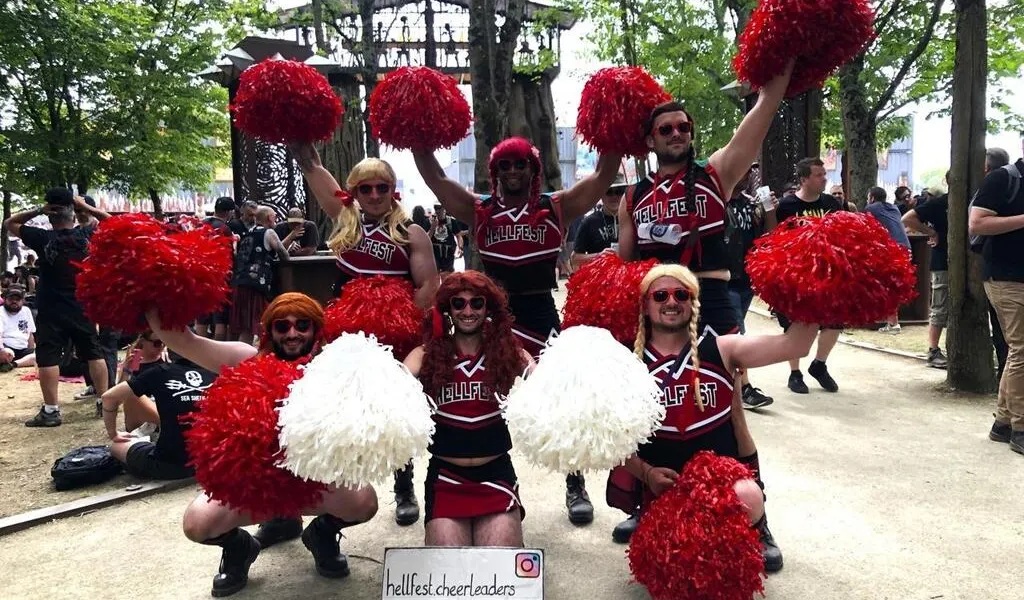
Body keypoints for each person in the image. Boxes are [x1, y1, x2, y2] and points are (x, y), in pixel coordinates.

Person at [615, 62, 795, 562]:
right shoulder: (632, 197)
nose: (677, 134)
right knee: (649, 407)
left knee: (727, 407)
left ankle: (758, 518)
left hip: (710, 301)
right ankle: (647, 498)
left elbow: (758, 120)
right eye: (666, 129)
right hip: (657, 306)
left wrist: (779, 75)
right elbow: (625, 266)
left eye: (683, 127)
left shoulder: (717, 174)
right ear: (650, 140)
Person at [412, 134, 625, 526]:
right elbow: (436, 179)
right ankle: (465, 476)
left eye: (520, 164)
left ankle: (574, 481)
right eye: (504, 165)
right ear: (495, 172)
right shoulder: (479, 209)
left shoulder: (556, 206)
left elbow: (601, 176)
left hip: (539, 311)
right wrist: (417, 137)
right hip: (489, 314)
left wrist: (615, 129)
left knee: (561, 401)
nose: (512, 171)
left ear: (533, 169)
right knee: (473, 391)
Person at [146, 293, 378, 596]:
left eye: (302, 325)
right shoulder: (245, 358)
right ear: (269, 330)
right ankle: (240, 549)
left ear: (315, 328)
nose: (292, 333)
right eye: (282, 326)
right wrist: (150, 293)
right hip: (252, 488)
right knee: (197, 524)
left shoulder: (331, 366)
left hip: (312, 484)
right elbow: (183, 341)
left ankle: (320, 535)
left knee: (364, 503)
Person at [619, 264, 817, 568]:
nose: (671, 302)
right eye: (660, 295)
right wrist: (646, 474)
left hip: (720, 486)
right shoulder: (625, 361)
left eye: (681, 294)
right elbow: (609, 442)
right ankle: (642, 512)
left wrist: (818, 287)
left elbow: (796, 345)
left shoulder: (722, 348)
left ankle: (758, 525)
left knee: (747, 495)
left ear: (693, 303)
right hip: (662, 485)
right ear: (645, 305)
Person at [294, 148, 438, 526]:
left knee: (396, 407)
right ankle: (340, 489)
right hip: (348, 334)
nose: (374, 195)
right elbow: (312, 166)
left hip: (396, 335)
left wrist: (397, 317)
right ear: (354, 192)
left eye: (382, 187)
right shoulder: (345, 219)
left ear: (393, 190)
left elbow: (428, 287)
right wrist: (297, 138)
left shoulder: (411, 232)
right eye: (366, 188)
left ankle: (403, 485)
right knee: (342, 407)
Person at [403, 272, 534, 546]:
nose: (467, 311)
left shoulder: (508, 353)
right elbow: (392, 386)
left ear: (488, 308)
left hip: (496, 474)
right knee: (447, 562)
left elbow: (546, 384)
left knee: (501, 558)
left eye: (476, 303)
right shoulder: (426, 355)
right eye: (458, 303)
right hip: (446, 476)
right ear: (447, 309)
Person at [4, 188, 111, 427]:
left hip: (51, 307)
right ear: (73, 212)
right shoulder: (87, 234)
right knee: (93, 352)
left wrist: (38, 210)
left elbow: (10, 223)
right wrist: (86, 206)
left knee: (48, 357)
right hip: (81, 304)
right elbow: (112, 222)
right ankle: (105, 402)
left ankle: (51, 411)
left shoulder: (41, 237)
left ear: (51, 214)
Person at [774, 157, 845, 395]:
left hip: (828, 272)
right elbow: (778, 239)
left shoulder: (832, 203)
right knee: (796, 323)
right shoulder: (787, 206)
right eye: (818, 175)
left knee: (834, 322)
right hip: (798, 273)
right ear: (804, 179)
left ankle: (819, 365)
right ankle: (795, 373)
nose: (824, 179)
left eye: (824, 174)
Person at [969, 153, 1024, 456]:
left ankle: (1003, 423)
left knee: (1018, 351)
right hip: (1005, 277)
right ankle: (1020, 427)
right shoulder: (1003, 178)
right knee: (1021, 350)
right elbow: (977, 223)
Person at [100, 331, 212, 481]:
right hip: (202, 458)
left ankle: (138, 441)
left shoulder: (164, 366)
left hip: (169, 454)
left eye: (164, 344)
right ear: (143, 342)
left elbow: (110, 397)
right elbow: (121, 397)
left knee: (116, 445)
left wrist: (113, 433)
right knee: (134, 396)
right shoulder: (137, 361)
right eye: (157, 343)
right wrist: (126, 370)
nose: (161, 348)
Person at [724, 164, 777, 409]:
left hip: (746, 281)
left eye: (749, 172)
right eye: (742, 170)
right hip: (724, 280)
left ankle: (730, 382)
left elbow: (770, 236)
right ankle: (745, 388)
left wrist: (769, 210)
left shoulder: (751, 205)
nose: (746, 176)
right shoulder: (717, 202)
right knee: (738, 333)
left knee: (732, 333)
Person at [902, 172, 950, 368]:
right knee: (939, 307)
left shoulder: (974, 200)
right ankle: (933, 349)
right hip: (942, 260)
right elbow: (907, 218)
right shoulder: (941, 202)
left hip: (964, 262)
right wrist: (931, 232)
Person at [229, 206, 288, 345]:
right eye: (274, 216)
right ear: (269, 218)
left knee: (246, 329)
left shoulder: (248, 233)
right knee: (264, 324)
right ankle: (265, 355)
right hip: (256, 285)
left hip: (239, 282)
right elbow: (284, 254)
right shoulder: (269, 232)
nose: (276, 219)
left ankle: (244, 357)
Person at [864, 186, 911, 334]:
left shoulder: (871, 208)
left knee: (884, 285)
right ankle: (891, 321)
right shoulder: (894, 208)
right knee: (893, 285)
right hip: (905, 248)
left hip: (891, 249)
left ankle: (891, 323)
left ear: (871, 198)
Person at [197, 197, 237, 341]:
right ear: (229, 212)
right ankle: (217, 349)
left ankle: (199, 351)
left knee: (202, 317)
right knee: (220, 318)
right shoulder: (224, 229)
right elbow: (229, 255)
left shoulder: (201, 225)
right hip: (220, 277)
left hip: (200, 275)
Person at [571, 174, 627, 268]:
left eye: (619, 191)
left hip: (628, 274)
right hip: (600, 275)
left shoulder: (631, 218)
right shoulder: (589, 222)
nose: (614, 196)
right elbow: (575, 259)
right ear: (601, 194)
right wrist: (599, 256)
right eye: (608, 192)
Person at [0, 285, 35, 371]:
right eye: (11, 299)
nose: (14, 301)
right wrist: (1, 350)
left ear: (22, 300)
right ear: (5, 299)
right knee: (5, 354)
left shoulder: (26, 311)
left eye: (17, 299)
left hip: (23, 349)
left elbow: (30, 334)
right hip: (6, 347)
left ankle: (13, 364)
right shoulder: (1, 311)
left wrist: (31, 350)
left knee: (42, 354)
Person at [429, 204, 465, 274]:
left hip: (448, 253)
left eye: (440, 208)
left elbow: (458, 235)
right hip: (434, 253)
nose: (438, 211)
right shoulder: (430, 221)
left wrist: (460, 247)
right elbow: (426, 238)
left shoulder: (451, 221)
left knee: (447, 275)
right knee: (434, 275)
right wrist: (432, 228)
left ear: (445, 209)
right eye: (436, 208)